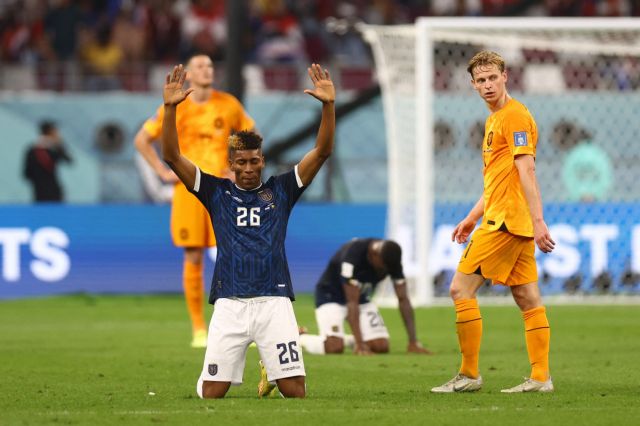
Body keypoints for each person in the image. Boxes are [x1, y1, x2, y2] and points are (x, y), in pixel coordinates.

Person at [160, 63, 335, 398]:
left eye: (254, 161)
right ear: (231, 165)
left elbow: (322, 151)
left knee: (295, 392)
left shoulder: (282, 190)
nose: (249, 168)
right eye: (241, 162)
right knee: (212, 392)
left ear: (262, 161)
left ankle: (271, 369)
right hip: (230, 301)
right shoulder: (216, 192)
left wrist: (328, 106)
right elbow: (171, 156)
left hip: (274, 299)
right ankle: (233, 368)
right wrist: (169, 109)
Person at [431, 51, 556, 394]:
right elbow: (499, 180)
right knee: (527, 297)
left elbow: (527, 170)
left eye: (492, 78)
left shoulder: (514, 117)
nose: (487, 85)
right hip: (510, 220)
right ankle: (541, 378)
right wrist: (472, 217)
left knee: (460, 289)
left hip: (505, 222)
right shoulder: (495, 119)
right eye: (481, 80)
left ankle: (469, 374)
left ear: (505, 77)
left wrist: (539, 221)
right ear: (473, 85)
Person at [134, 54, 255, 348]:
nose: (207, 70)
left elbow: (251, 136)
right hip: (188, 191)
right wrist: (162, 172)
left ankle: (242, 328)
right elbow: (141, 140)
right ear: (188, 73)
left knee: (234, 255)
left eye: (211, 65)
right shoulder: (177, 106)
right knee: (193, 256)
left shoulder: (228, 104)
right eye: (200, 66)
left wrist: (237, 167)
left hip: (222, 190)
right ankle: (199, 329)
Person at [299, 238, 431, 355]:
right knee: (334, 348)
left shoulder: (390, 260)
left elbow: (403, 299)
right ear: (374, 255)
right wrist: (359, 344)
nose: (384, 271)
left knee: (380, 347)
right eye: (382, 267)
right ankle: (300, 338)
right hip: (330, 296)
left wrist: (413, 342)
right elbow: (352, 302)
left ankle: (346, 339)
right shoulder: (352, 256)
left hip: (361, 298)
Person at [23, 120, 72, 202]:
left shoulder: (32, 150)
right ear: (50, 132)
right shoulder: (54, 150)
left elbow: (26, 174)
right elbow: (69, 160)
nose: (57, 134)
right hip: (54, 192)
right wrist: (60, 145)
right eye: (55, 131)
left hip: (39, 192)